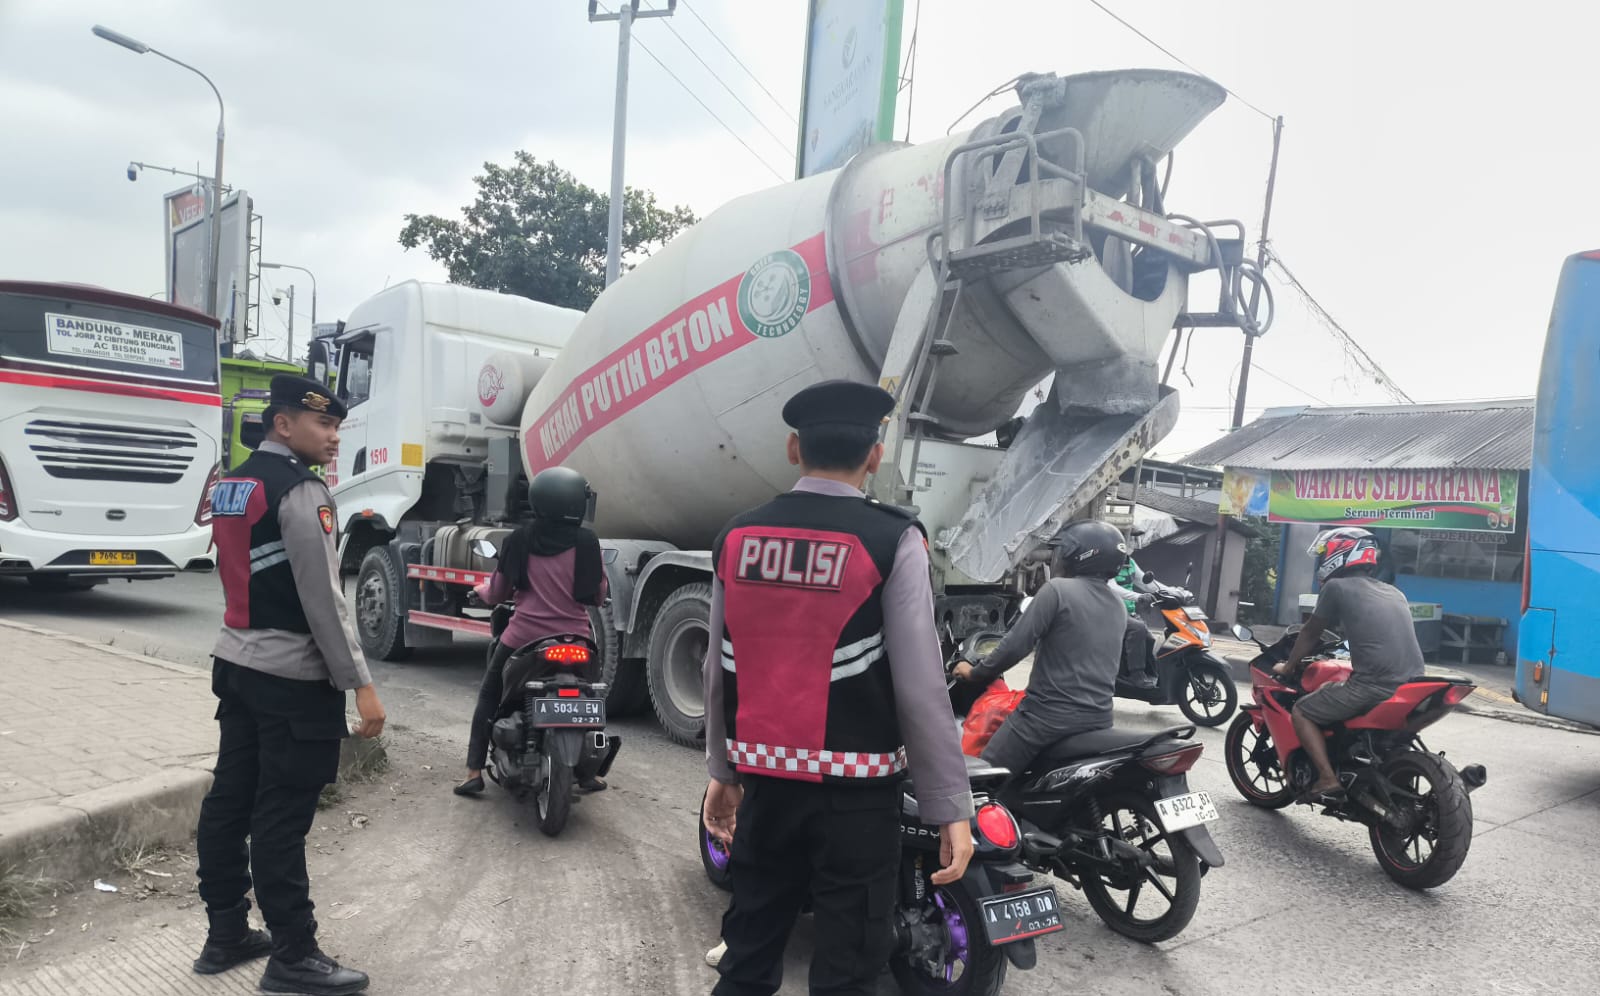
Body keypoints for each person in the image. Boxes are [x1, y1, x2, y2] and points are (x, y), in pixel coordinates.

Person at [701, 379, 974, 996]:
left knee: (747, 958)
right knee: (848, 973)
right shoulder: (893, 540)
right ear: (875, 456)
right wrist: (949, 807)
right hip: (859, 803)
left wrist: (723, 770)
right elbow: (921, 688)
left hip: (767, 791)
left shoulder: (737, 538)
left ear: (793, 448)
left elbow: (717, 668)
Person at [196, 375, 385, 996]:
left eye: (337, 426)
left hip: (237, 662)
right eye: (323, 424)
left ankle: (226, 932)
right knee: (280, 817)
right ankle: (294, 956)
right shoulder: (302, 490)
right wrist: (360, 683)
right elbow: (324, 600)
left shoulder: (234, 482)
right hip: (292, 678)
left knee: (230, 801)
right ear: (283, 424)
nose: (334, 438)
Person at [455, 466, 609, 796]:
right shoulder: (588, 542)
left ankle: (473, 771)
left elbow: (498, 593)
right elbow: (598, 595)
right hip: (578, 639)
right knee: (591, 697)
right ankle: (590, 773)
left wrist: (481, 591)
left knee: (490, 693)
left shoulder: (519, 540)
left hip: (523, 639)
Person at [953, 519, 1129, 779]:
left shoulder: (1057, 590)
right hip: (1099, 718)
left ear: (1079, 554)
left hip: (1044, 718)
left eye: (1063, 550)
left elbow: (1014, 647)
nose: (1058, 557)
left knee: (983, 779)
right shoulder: (1118, 605)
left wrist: (974, 673)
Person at [1276, 527, 1426, 801]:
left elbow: (1310, 632)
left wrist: (1288, 667)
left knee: (1303, 711)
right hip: (1413, 684)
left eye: (1326, 553)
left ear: (1341, 553)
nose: (1323, 559)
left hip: (1374, 686)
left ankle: (1327, 778)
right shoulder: (1395, 592)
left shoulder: (1336, 588)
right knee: (1333, 691)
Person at [1109, 555, 1158, 689]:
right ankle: (1136, 674)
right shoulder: (1109, 559)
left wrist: (1173, 590)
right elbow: (1112, 587)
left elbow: (1146, 583)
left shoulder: (1130, 562)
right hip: (1112, 611)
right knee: (1138, 628)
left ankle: (1152, 674)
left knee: (1149, 638)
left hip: (1130, 613)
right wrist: (1139, 597)